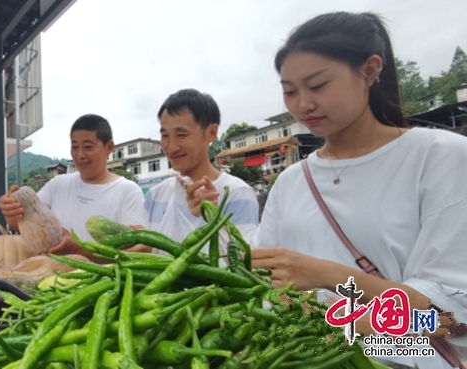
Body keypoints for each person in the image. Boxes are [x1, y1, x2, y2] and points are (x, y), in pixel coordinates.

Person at [253, 12, 466, 368]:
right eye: (289, 91)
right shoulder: (290, 182)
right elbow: (262, 291)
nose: (302, 104)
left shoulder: (441, 158)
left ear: (369, 71)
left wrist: (330, 278)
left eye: (318, 86)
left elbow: (450, 320)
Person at [0, 114, 148, 259]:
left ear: (109, 147)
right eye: (75, 147)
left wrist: (79, 249)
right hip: (54, 279)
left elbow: (137, 251)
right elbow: (21, 225)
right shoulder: (57, 185)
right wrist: (11, 212)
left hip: (105, 283)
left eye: (88, 147)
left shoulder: (128, 191)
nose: (80, 155)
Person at [145, 89, 259, 256]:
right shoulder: (156, 195)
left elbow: (244, 262)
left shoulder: (236, 193)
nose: (171, 147)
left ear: (211, 132)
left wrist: (213, 219)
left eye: (181, 134)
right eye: (165, 135)